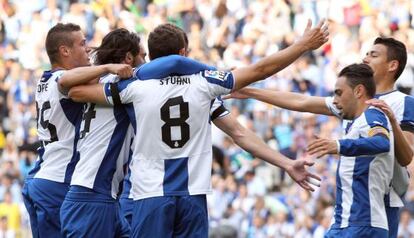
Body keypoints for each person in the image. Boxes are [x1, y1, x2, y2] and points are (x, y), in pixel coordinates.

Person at [67, 20, 328, 237]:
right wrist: (301, 46)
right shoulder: (204, 85)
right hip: (193, 196)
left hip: (150, 195)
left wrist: (134, 71)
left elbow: (75, 91)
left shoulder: (132, 87)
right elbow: (243, 124)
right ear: (183, 52)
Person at [226, 37, 414, 238]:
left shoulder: (401, 103)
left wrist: (389, 124)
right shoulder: (352, 101)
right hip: (350, 203)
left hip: (381, 201)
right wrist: (250, 91)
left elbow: (405, 156)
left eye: (373, 55)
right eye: (366, 53)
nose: (366, 57)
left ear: (393, 65)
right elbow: (302, 101)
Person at [21, 23, 132, 238]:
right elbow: (66, 80)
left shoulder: (43, 80)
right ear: (65, 51)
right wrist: (107, 67)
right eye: (82, 44)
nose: (88, 49)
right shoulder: (60, 80)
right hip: (58, 181)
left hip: (41, 178)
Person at [58, 28, 143, 237]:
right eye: (144, 56)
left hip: (103, 197)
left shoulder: (97, 83)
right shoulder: (123, 87)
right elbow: (66, 85)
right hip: (91, 197)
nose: (146, 61)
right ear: (129, 58)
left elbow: (71, 88)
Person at [308, 63, 393, 237]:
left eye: (339, 93)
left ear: (358, 91)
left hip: (364, 225)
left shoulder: (372, 115)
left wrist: (339, 145)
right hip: (344, 224)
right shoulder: (354, 123)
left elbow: (382, 142)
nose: (334, 100)